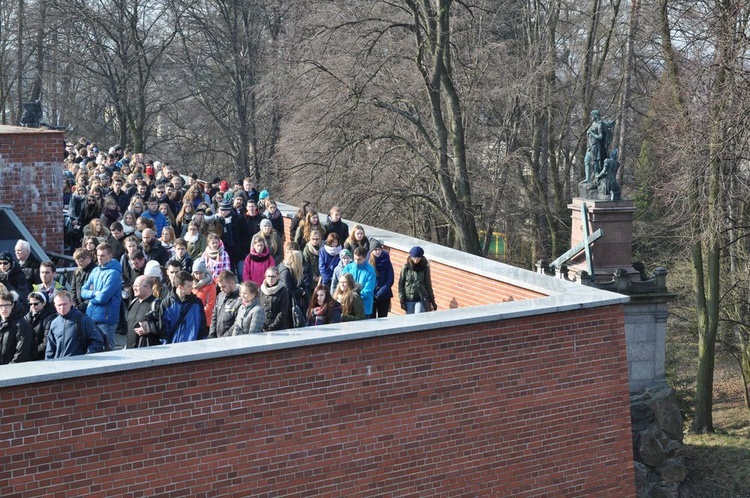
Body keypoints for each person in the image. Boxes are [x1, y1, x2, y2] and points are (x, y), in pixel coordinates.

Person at [80, 243, 123, 347]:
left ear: (110, 256)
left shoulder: (114, 274)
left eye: (102, 255)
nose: (99, 258)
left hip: (106, 320)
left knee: (108, 350)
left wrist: (90, 298)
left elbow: (103, 298)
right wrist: (94, 293)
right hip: (91, 317)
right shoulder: (95, 270)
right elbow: (82, 291)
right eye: (98, 255)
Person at [46, 290, 106, 358]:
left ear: (71, 303)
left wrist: (86, 358)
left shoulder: (84, 320)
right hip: (60, 365)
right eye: (59, 305)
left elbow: (98, 341)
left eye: (65, 304)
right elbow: (50, 349)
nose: (62, 308)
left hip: (79, 364)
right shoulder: (54, 323)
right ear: (55, 306)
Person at [160, 270, 208, 343]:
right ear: (180, 287)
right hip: (174, 348)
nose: (192, 288)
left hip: (194, 347)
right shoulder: (166, 304)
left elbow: (202, 327)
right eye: (189, 286)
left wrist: (201, 344)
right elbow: (163, 331)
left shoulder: (197, 303)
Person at [398, 246, 437, 314]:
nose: (416, 259)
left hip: (420, 297)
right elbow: (401, 284)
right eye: (414, 257)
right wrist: (402, 299)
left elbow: (428, 284)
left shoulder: (425, 268)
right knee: (410, 320)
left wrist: (432, 300)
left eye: (418, 257)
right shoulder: (406, 268)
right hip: (408, 298)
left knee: (418, 317)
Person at [126, 275, 162, 348]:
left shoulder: (157, 304)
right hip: (130, 349)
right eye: (133, 286)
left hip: (148, 350)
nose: (134, 288)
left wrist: (148, 328)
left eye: (137, 286)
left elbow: (163, 326)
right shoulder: (133, 302)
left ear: (147, 288)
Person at [0, 290, 34, 364]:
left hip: (13, 370)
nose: (4, 309)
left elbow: (22, 353)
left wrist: (10, 368)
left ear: (12, 305)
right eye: (1, 306)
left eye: (7, 305)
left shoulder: (21, 324)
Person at [342, 246, 376, 318]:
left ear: (365, 258)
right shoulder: (348, 268)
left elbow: (368, 290)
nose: (357, 262)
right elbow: (342, 284)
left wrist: (355, 298)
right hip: (348, 304)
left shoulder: (370, 271)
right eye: (355, 259)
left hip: (364, 306)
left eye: (359, 259)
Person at [218, 200, 248, 276]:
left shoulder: (239, 218)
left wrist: (243, 246)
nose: (220, 212)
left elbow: (246, 234)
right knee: (230, 274)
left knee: (241, 273)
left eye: (222, 210)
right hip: (227, 253)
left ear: (227, 210)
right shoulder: (220, 221)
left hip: (240, 252)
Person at [208, 271, 242, 338]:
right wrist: (211, 334)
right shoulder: (220, 296)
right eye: (220, 287)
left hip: (231, 339)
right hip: (218, 337)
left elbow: (237, 323)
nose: (221, 289)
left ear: (232, 283)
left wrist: (225, 337)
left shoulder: (240, 299)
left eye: (223, 287)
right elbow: (214, 316)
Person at [25, 291, 56, 360]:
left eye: (36, 304)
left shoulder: (50, 318)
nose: (33, 306)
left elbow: (46, 342)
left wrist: (32, 353)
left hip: (41, 357)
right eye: (30, 304)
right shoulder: (27, 317)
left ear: (44, 303)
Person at [369, 239, 394, 318]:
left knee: (383, 319)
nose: (377, 252)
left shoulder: (386, 261)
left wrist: (380, 292)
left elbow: (390, 279)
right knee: (371, 319)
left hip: (385, 295)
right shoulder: (369, 263)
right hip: (371, 295)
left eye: (379, 249)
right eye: (375, 250)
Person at [259, 267, 289, 331]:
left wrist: (272, 326)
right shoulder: (260, 290)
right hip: (263, 325)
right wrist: (262, 325)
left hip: (279, 326)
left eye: (273, 276)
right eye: (268, 276)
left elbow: (283, 311)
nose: (270, 279)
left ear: (278, 277)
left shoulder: (283, 290)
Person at [191, 258, 217, 326]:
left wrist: (198, 314)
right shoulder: (190, 284)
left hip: (205, 321)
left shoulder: (211, 284)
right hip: (192, 319)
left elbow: (210, 305)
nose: (198, 276)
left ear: (205, 272)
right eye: (196, 273)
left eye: (200, 273)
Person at [302, 229, 322, 296]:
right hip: (311, 277)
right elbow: (306, 264)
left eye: (317, 239)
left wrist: (321, 276)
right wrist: (314, 276)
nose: (315, 241)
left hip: (322, 276)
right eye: (313, 239)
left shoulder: (324, 248)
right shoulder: (307, 249)